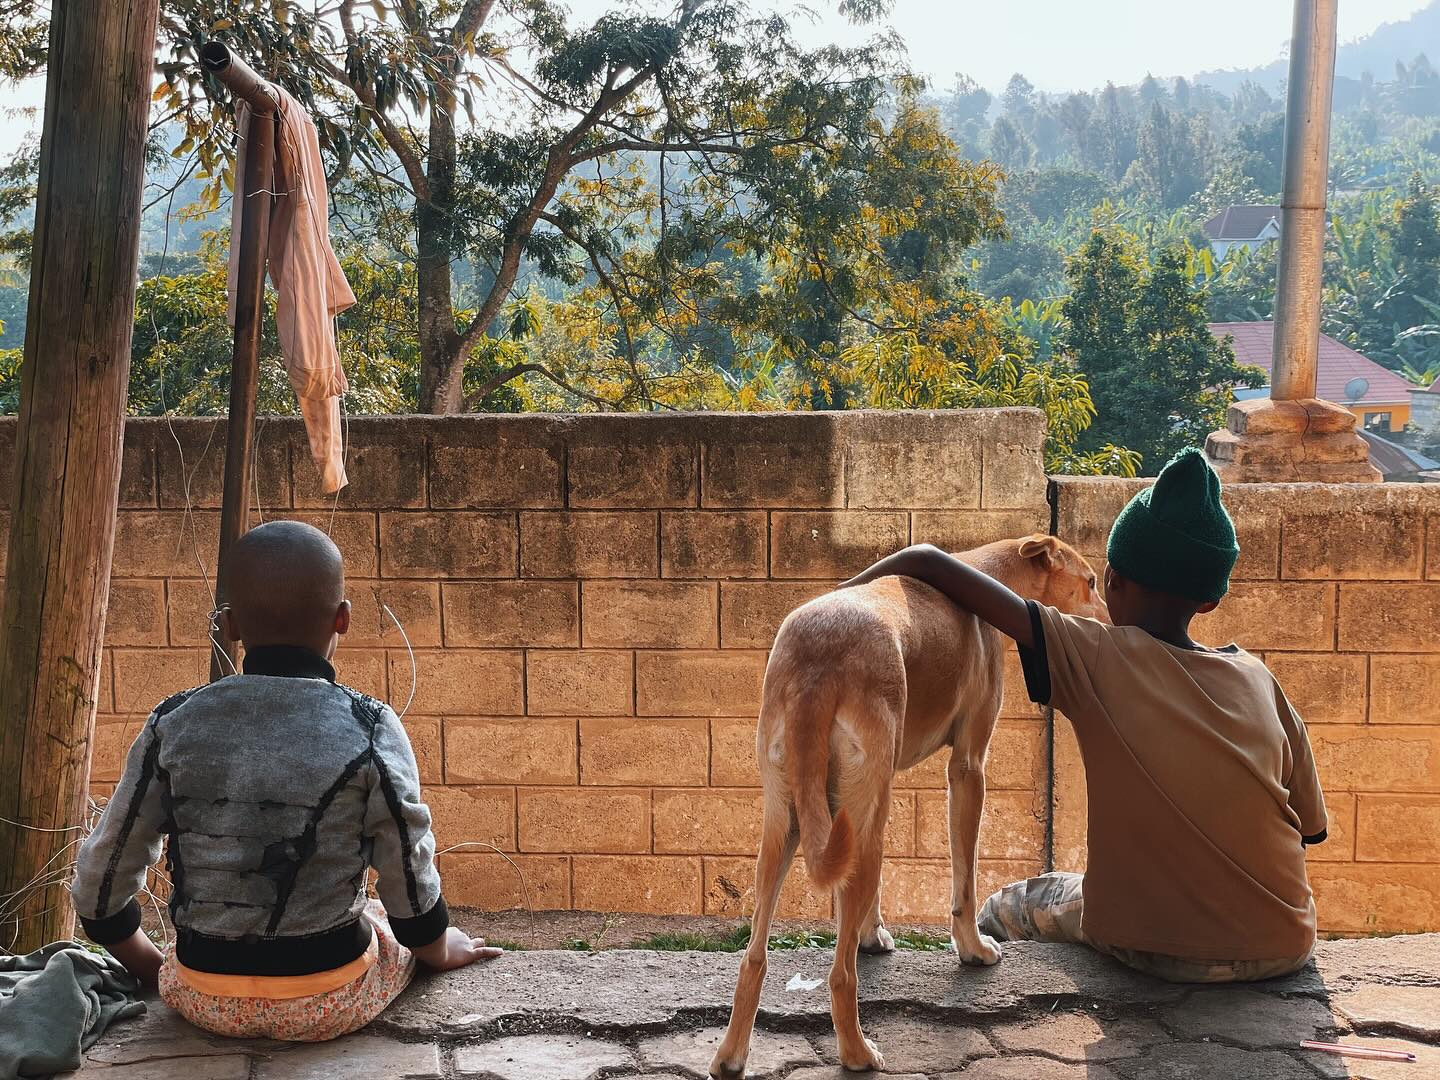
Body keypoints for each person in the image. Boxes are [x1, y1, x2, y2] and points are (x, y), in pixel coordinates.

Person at [841, 448, 1327, 983]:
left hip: (1151, 944)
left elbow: (929, 561)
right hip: (1286, 941)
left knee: (1010, 904)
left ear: (1113, 579)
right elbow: (1311, 827)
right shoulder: (1260, 678)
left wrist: (845, 595)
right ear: (1210, 601)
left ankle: (978, 984)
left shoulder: (1096, 654)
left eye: (1103, 582)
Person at [69, 520, 501, 1040]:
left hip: (200, 996)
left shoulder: (173, 723)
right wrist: (436, 947)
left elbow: (98, 884)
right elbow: (406, 869)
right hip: (331, 996)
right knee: (384, 920)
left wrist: (156, 967)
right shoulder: (370, 726)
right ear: (342, 619)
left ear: (229, 625)